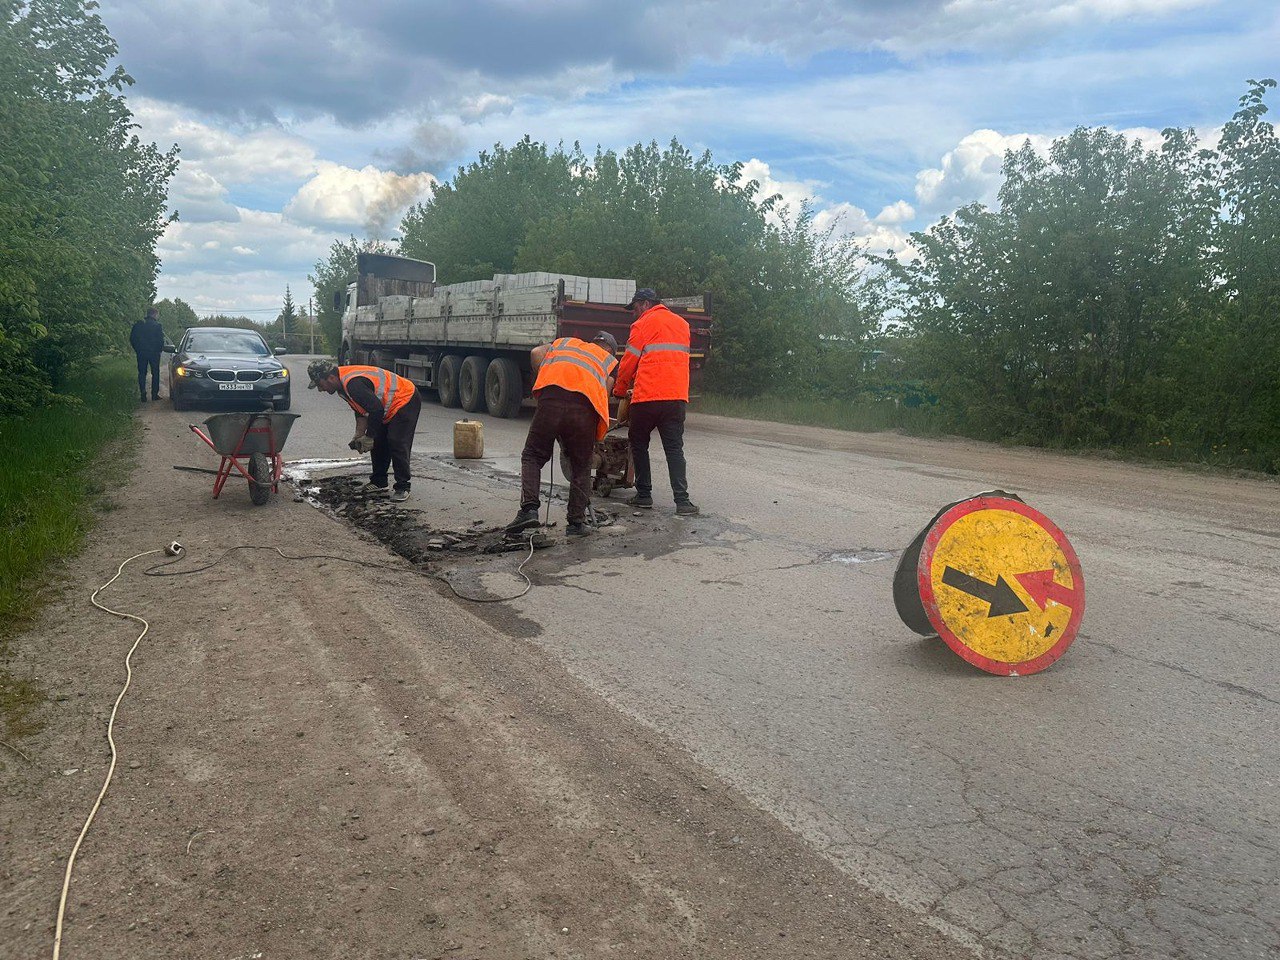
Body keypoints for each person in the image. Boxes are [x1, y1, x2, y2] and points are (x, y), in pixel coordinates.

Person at [508, 332, 619, 537]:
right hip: (584, 411)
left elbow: (535, 353)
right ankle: (576, 523)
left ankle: (529, 510)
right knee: (581, 465)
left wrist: (547, 376)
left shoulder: (566, 343)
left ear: (592, 341)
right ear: (611, 349)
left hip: (551, 401)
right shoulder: (607, 361)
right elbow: (605, 391)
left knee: (533, 455)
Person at [612, 288, 698, 515]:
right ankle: (683, 501)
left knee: (638, 443)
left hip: (647, 397)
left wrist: (620, 390)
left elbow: (629, 361)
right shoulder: (682, 324)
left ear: (645, 303)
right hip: (676, 398)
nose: (634, 314)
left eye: (635, 308)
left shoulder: (643, 324)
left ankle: (644, 495)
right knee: (674, 449)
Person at [307, 360, 421, 503]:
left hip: (405, 399)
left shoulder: (352, 384)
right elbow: (361, 411)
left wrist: (369, 436)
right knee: (378, 440)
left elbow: (376, 409)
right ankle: (379, 481)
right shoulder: (342, 388)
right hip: (386, 406)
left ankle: (403, 487)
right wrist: (359, 435)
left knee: (396, 441)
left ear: (330, 378)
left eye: (319, 384)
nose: (320, 389)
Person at [130, 307, 166, 401]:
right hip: (154, 354)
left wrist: (137, 349)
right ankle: (154, 394)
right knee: (155, 373)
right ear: (154, 314)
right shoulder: (157, 326)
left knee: (142, 373)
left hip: (141, 352)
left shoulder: (138, 325)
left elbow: (132, 338)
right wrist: (159, 350)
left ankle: (143, 392)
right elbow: (160, 341)